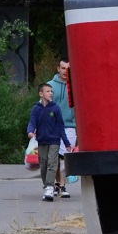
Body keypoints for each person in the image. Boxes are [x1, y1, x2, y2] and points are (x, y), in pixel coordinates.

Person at [27, 83, 66, 201]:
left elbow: (60, 126)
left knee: (52, 163)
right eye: (48, 91)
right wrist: (30, 131)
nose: (51, 93)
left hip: (54, 140)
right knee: (43, 164)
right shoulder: (36, 109)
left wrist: (67, 142)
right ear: (41, 94)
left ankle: (50, 187)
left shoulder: (55, 108)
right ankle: (47, 186)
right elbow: (32, 122)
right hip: (42, 141)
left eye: (51, 91)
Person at [47, 60, 76, 198]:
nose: (65, 71)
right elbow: (42, 108)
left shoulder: (76, 85)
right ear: (58, 68)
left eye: (68, 69)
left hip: (70, 126)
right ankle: (60, 184)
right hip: (53, 126)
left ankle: (60, 184)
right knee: (55, 156)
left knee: (64, 156)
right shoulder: (50, 86)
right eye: (63, 68)